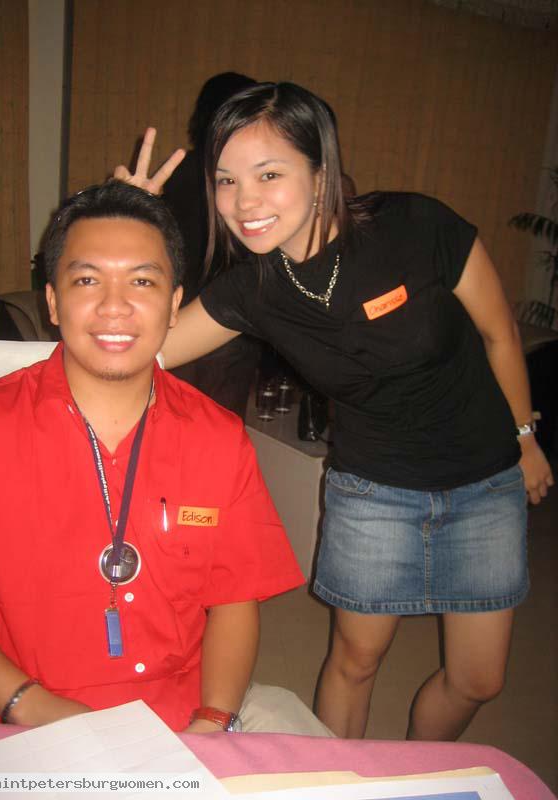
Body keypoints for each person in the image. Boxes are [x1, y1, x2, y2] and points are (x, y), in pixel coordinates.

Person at [115, 81, 554, 741]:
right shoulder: (253, 287)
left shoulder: (415, 226)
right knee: (356, 660)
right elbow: (142, 350)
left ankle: (416, 771)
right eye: (227, 180)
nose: (244, 202)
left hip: (484, 479)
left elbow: (499, 334)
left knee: (479, 679)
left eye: (269, 174)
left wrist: (525, 437)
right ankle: (342, 777)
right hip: (374, 488)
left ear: (320, 171)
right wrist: (130, 228)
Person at [0, 180, 331, 736]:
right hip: (15, 718)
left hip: (181, 715)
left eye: (141, 281)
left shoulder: (217, 438)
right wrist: (32, 707)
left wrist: (213, 721)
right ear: (53, 302)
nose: (115, 306)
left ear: (175, 304)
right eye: (88, 280)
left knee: (332, 762)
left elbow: (233, 601)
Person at [160, 72, 261, 417]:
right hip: (227, 322)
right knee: (218, 427)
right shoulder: (237, 175)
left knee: (170, 423)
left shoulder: (181, 170)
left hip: (177, 312)